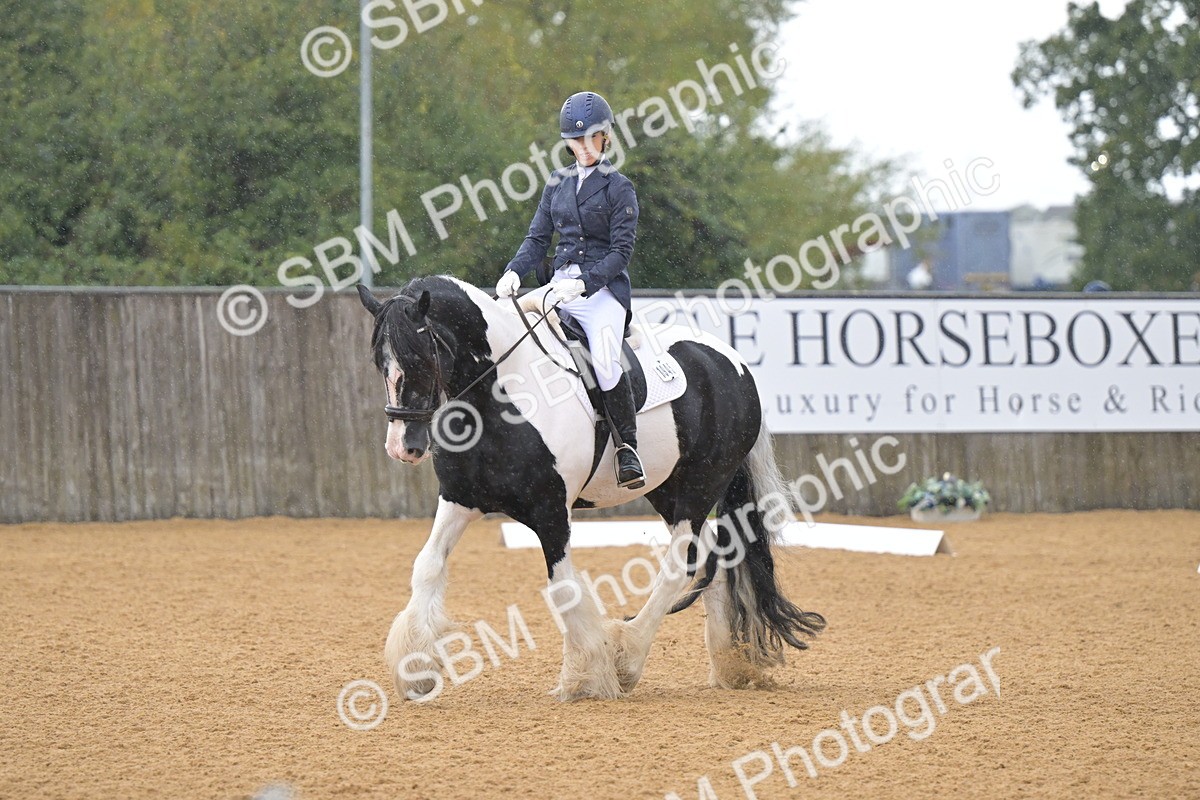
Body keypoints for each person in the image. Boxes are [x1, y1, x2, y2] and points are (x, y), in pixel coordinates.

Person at [496, 90, 645, 489]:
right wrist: (514, 270)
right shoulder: (557, 183)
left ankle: (627, 448)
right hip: (557, 287)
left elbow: (621, 253)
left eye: (591, 138)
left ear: (606, 136)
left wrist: (584, 283)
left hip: (601, 295)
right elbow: (537, 237)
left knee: (607, 359)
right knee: (506, 330)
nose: (583, 147)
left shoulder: (619, 188)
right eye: (576, 140)